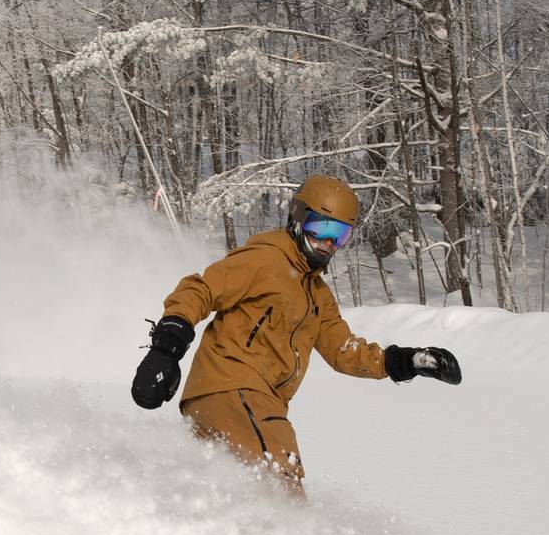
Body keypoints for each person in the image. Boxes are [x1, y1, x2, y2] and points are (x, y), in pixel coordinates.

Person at [130, 174, 462, 498]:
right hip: (236, 390)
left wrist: (404, 361)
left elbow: (344, 351)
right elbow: (200, 289)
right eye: (323, 229)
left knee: (228, 495)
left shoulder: (318, 296)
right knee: (281, 483)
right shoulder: (266, 259)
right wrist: (166, 349)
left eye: (340, 235)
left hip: (233, 402)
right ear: (298, 220)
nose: (329, 243)